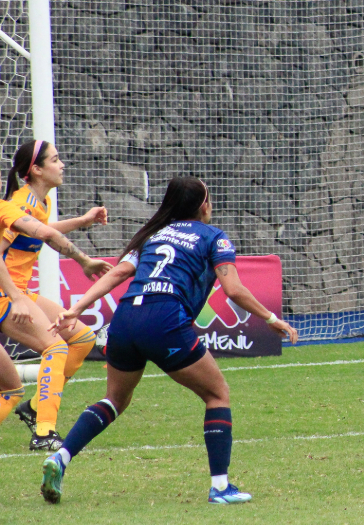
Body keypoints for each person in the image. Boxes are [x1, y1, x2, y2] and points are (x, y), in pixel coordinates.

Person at [40, 177, 298, 505]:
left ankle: (60, 458)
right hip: (163, 318)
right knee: (217, 394)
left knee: (114, 399)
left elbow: (118, 274)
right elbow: (233, 289)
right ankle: (220, 487)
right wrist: (273, 319)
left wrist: (76, 307)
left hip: (125, 319)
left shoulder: (152, 233)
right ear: (203, 205)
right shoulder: (214, 238)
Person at [0, 149, 111, 452]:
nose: (62, 165)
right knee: (55, 346)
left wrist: (82, 220)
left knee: (82, 337)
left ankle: (35, 408)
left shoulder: (39, 202)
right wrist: (84, 261)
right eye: (55, 159)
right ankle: (44, 432)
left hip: (18, 291)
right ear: (35, 169)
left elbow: (43, 231)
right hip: (6, 294)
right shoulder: (18, 205)